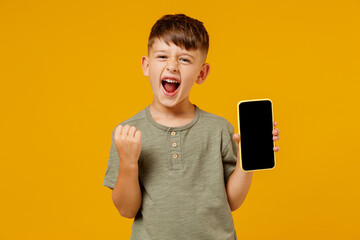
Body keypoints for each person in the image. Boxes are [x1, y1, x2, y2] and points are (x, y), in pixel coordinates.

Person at [103, 13, 280, 240]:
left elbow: (232, 202)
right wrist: (128, 161)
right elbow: (127, 210)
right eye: (162, 56)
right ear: (146, 66)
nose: (172, 66)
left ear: (202, 73)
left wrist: (247, 159)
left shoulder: (219, 129)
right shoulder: (128, 133)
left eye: (185, 59)